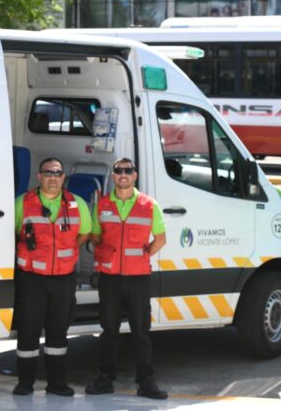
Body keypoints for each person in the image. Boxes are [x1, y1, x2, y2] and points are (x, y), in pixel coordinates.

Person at [85, 158, 168, 400]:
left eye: (127, 171)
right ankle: (105, 379)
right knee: (109, 330)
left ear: (135, 175)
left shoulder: (149, 205)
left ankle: (146, 381)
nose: (123, 174)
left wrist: (142, 256)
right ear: (113, 176)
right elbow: (95, 237)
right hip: (110, 278)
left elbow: (160, 239)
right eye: (118, 171)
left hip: (138, 278)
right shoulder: (102, 205)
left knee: (141, 331)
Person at [13, 157, 91, 396]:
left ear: (63, 177)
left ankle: (56, 383)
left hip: (63, 279)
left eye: (57, 173)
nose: (53, 177)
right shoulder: (22, 203)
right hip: (32, 278)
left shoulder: (77, 204)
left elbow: (84, 235)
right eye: (48, 173)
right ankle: (25, 383)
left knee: (58, 332)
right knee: (29, 331)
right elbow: (14, 234)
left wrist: (62, 258)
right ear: (39, 176)